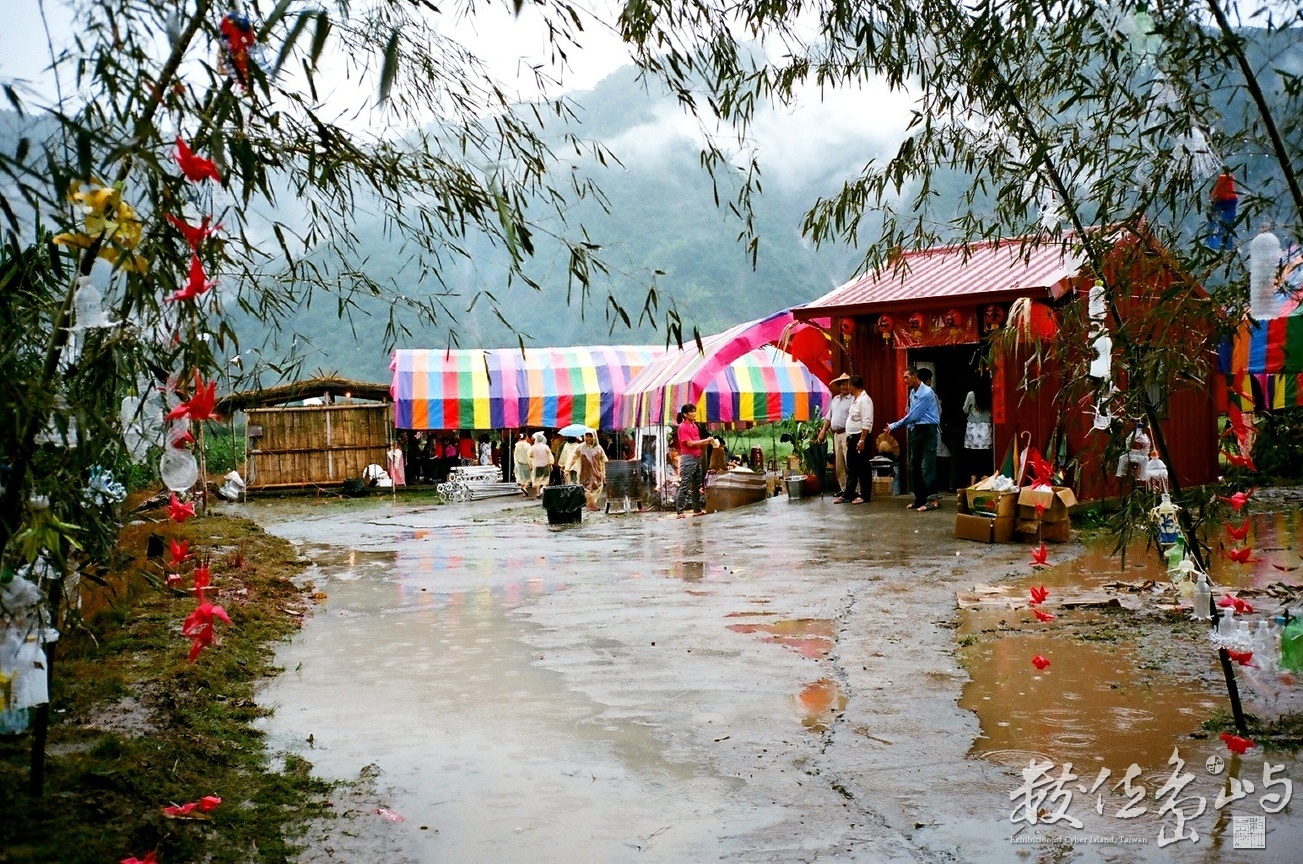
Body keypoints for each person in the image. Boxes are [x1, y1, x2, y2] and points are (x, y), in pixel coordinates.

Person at [885, 366, 941, 512]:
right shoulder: (912, 392)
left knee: (927, 465)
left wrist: (895, 425)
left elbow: (914, 415)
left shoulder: (927, 393)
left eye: (906, 377)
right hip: (916, 429)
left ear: (915, 376)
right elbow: (910, 412)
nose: (904, 380)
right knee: (914, 464)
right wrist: (910, 428)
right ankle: (919, 498)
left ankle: (932, 499)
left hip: (928, 428)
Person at [834, 374, 873, 504]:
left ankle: (865, 495)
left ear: (851, 386)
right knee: (852, 467)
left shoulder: (865, 400)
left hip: (860, 436)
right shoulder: (855, 400)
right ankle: (848, 494)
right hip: (852, 436)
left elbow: (867, 421)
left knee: (863, 467)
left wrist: (862, 440)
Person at [817, 373, 852, 496]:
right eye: (842, 384)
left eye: (847, 383)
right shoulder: (835, 400)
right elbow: (828, 418)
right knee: (840, 465)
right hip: (836, 435)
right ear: (839, 386)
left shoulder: (853, 399)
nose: (844, 386)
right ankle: (844, 489)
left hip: (847, 433)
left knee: (850, 463)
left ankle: (854, 490)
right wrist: (823, 431)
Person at [675, 404, 710, 517]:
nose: (694, 413)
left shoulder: (694, 426)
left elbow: (697, 442)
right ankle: (680, 511)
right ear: (685, 414)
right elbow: (690, 443)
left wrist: (707, 441)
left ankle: (697, 509)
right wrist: (706, 440)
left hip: (696, 457)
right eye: (691, 411)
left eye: (694, 411)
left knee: (696, 485)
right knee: (685, 484)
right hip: (688, 458)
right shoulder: (683, 427)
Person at [962, 384, 994, 485]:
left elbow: (965, 409)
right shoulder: (991, 393)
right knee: (985, 456)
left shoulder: (971, 394)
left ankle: (972, 482)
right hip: (986, 429)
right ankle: (985, 480)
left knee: (973, 457)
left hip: (973, 429)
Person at [568, 431, 608, 510]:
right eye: (587, 436)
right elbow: (573, 457)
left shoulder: (598, 448)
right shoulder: (580, 447)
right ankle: (591, 505)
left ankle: (591, 504)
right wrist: (567, 468)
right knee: (587, 489)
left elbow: (604, 460)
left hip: (597, 473)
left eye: (590, 436)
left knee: (596, 488)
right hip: (584, 472)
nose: (589, 438)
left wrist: (604, 473)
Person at [529, 431, 554, 498]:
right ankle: (543, 490)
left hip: (536, 465)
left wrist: (531, 464)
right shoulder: (546, 447)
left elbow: (529, 455)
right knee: (545, 479)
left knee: (537, 480)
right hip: (545, 465)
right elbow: (550, 456)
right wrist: (550, 464)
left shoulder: (533, 447)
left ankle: (538, 493)